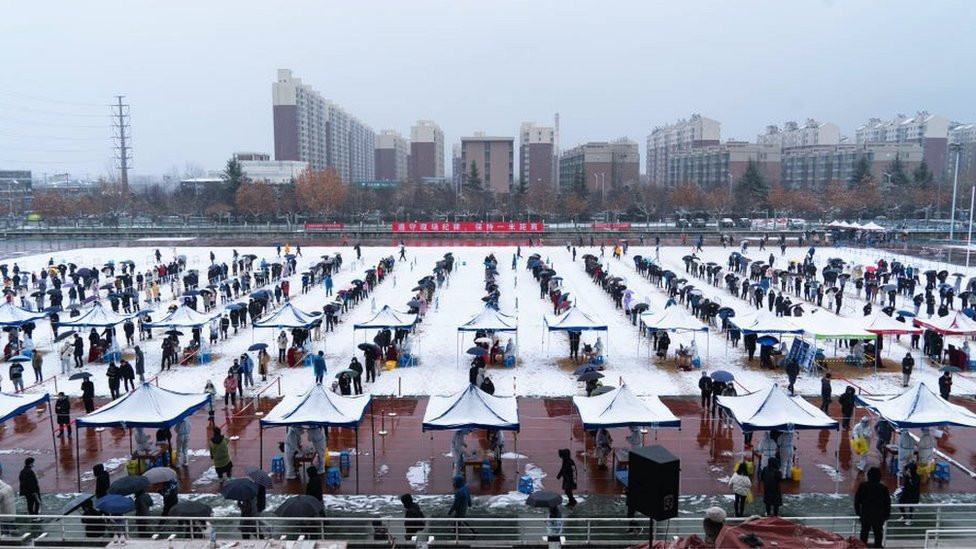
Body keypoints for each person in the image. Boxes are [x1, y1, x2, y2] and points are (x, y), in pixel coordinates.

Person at [854, 466, 891, 548]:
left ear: (868, 476)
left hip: (865, 514)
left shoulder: (863, 486)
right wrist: (886, 515)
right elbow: (887, 503)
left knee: (864, 532)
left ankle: (863, 546)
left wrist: (858, 512)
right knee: (878, 533)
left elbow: (857, 500)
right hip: (878, 516)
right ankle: (877, 546)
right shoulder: (883, 488)